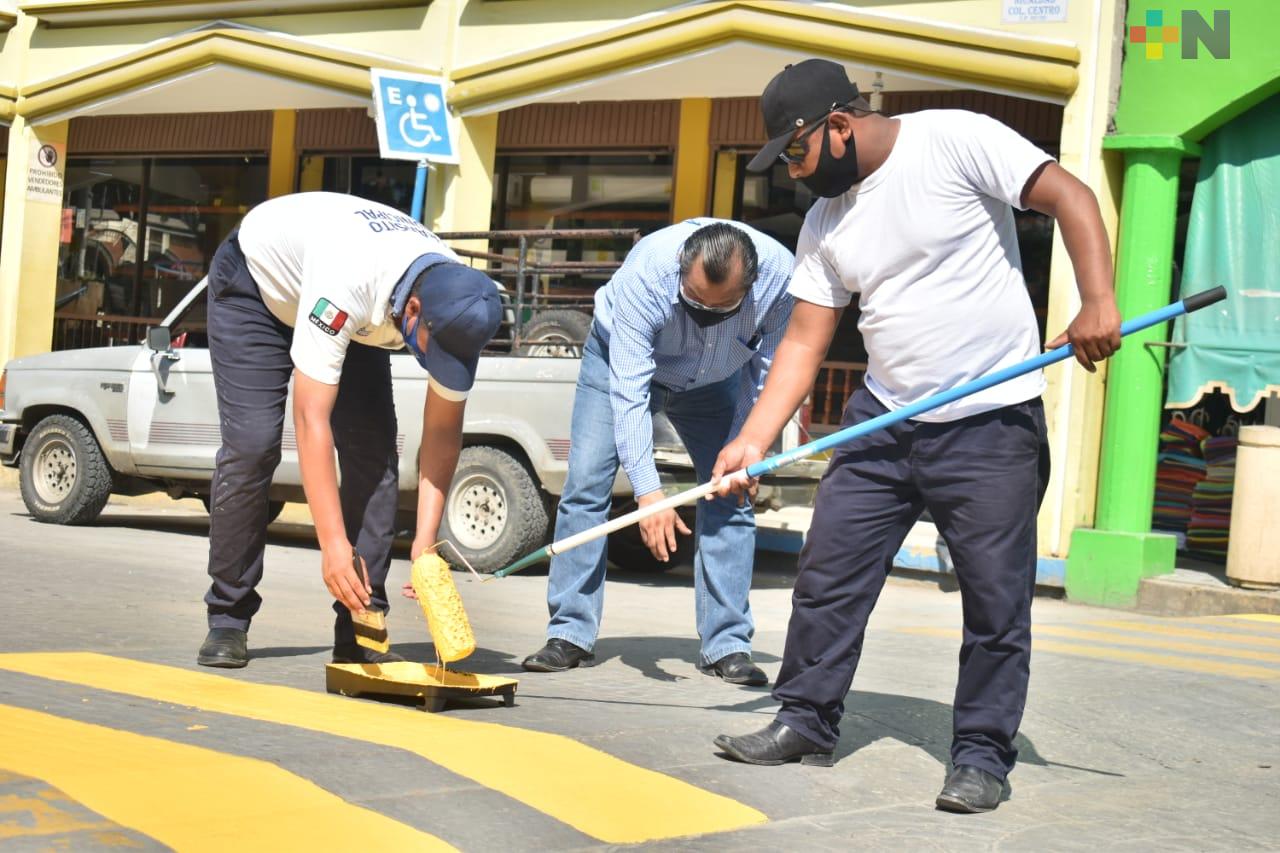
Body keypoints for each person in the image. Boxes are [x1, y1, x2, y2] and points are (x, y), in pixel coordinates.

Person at [711, 60, 1121, 812]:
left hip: (991, 414)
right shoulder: (824, 222)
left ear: (838, 124)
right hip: (884, 415)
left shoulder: (954, 140)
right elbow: (805, 339)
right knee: (827, 574)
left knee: (996, 602)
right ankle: (805, 716)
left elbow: (1070, 195)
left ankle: (981, 755)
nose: (795, 173)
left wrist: (1098, 297)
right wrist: (753, 437)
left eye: (797, 153)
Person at [196, 192, 502, 669]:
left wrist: (424, 541)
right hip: (258, 289)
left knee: (375, 456)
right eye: (432, 350)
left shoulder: (462, 305)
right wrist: (334, 546)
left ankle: (361, 622)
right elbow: (310, 419)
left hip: (356, 313)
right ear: (415, 310)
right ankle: (228, 615)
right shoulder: (351, 278)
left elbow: (442, 432)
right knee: (253, 444)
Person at [522, 221, 794, 685]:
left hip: (716, 381)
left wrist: (748, 445)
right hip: (619, 363)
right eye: (694, 300)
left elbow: (768, 376)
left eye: (721, 306)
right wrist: (649, 494)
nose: (705, 311)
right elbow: (628, 394)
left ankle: (727, 644)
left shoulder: (781, 281)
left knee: (730, 493)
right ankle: (569, 633)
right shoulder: (648, 270)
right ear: (681, 271)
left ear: (747, 287)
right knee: (586, 486)